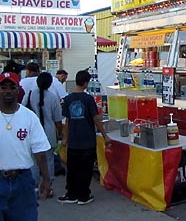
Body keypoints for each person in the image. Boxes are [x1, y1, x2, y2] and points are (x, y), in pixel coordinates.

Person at [0, 72, 51, 221]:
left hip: (22, 181)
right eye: (3, 87)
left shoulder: (29, 117)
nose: (8, 91)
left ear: (18, 90)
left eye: (12, 87)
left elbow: (40, 151)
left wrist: (46, 180)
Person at [58, 69, 111, 205]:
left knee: (73, 169)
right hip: (87, 141)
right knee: (85, 169)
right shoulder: (88, 99)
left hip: (73, 142)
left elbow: (67, 121)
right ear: (86, 83)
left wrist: (65, 139)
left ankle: (71, 194)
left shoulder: (68, 99)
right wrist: (105, 136)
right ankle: (83, 195)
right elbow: (95, 119)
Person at [29, 72, 63, 197]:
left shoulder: (30, 94)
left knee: (33, 161)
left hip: (32, 132)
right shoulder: (53, 97)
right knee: (48, 160)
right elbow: (58, 119)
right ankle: (49, 186)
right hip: (48, 132)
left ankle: (34, 187)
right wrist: (60, 132)